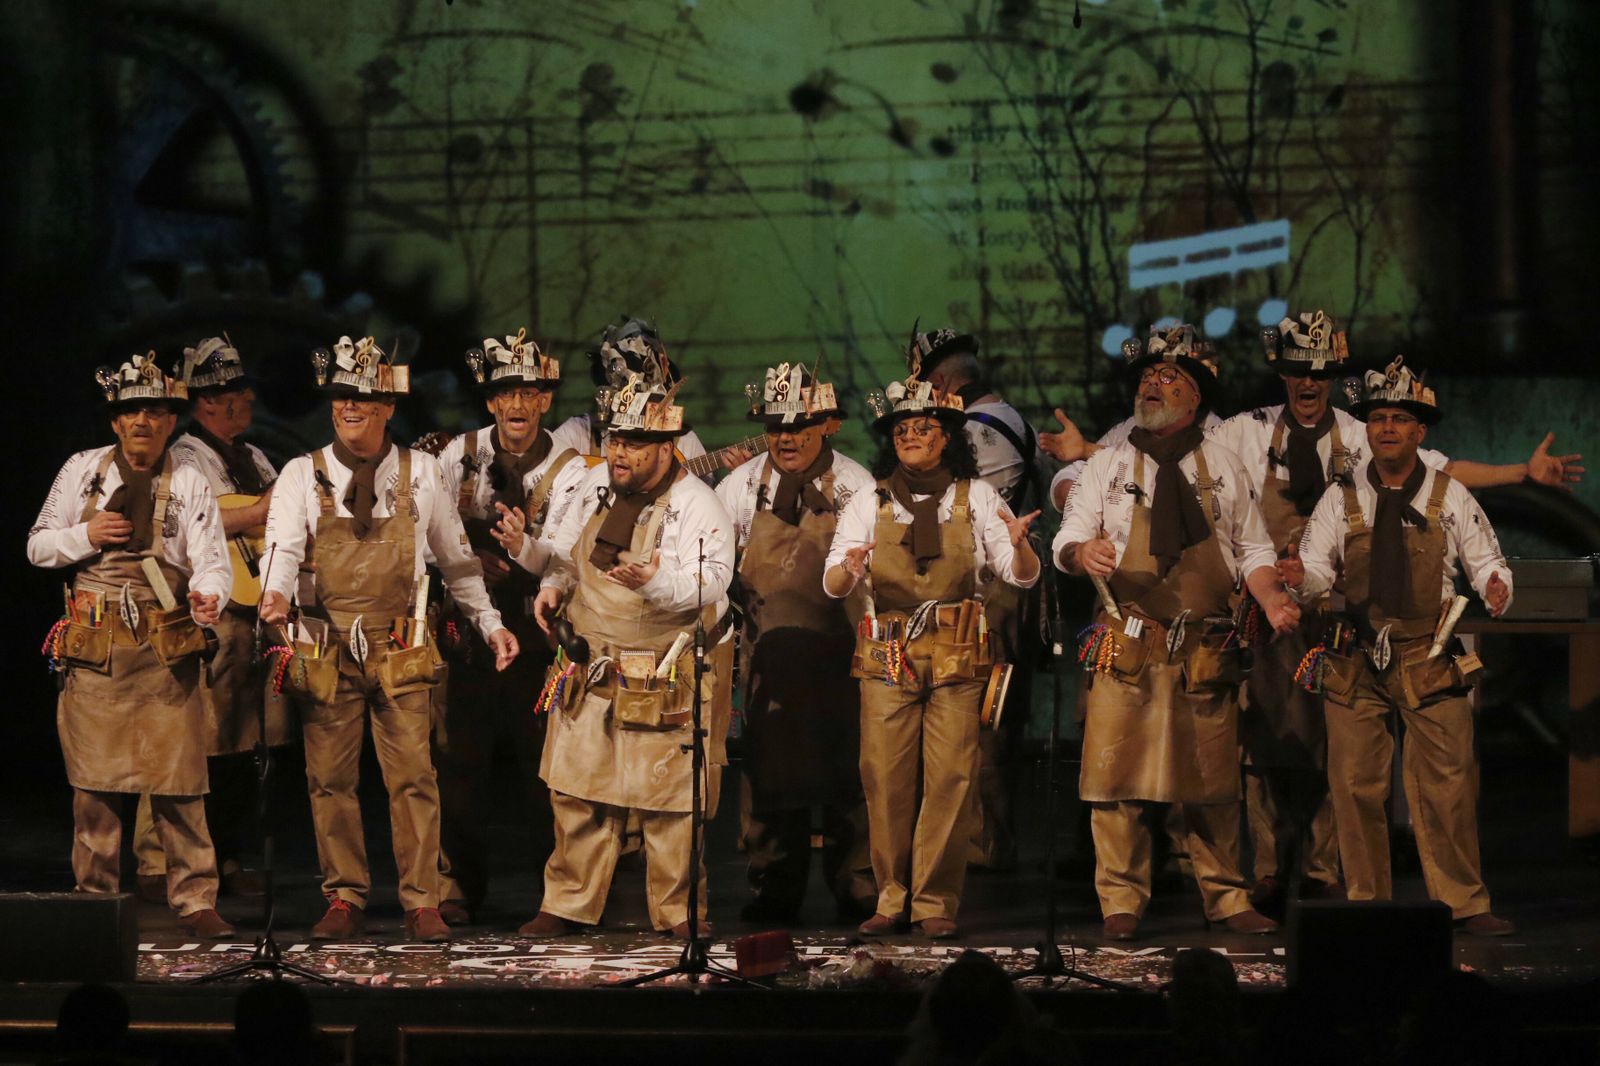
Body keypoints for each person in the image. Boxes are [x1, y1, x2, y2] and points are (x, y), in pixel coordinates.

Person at [1211, 311, 1583, 912]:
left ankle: (1426, 894)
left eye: (1322, 373)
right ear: (1282, 374)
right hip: (1309, 622)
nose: (1309, 383)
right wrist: (1296, 578)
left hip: (1396, 639)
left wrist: (1517, 489)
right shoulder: (1257, 439)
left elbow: (1466, 517)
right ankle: (1317, 886)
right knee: (1297, 757)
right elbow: (1171, 457)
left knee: (1417, 779)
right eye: (1298, 371)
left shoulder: (1393, 456)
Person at [261, 336, 518, 942]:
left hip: (400, 645)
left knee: (413, 776)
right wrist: (273, 596)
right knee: (329, 780)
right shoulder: (303, 474)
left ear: (387, 408)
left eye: (365, 397)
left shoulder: (421, 472)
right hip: (325, 646)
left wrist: (493, 624)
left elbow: (457, 564)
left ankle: (421, 899)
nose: (351, 406)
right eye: (343, 397)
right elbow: (282, 550)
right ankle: (344, 896)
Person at [1053, 324, 1295, 940]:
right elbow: (1066, 536)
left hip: (1201, 645)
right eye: (1147, 377)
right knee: (1115, 780)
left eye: (1170, 377)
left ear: (1195, 396)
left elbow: (1253, 547)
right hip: (1128, 640)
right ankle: (1121, 901)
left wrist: (1268, 597)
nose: (1153, 385)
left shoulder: (1225, 463)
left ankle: (1226, 896)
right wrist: (1082, 554)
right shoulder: (1107, 463)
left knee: (1212, 780)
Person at [1282, 355, 1517, 935]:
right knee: (1355, 784)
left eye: (1399, 418)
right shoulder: (1340, 498)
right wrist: (1299, 579)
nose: (1386, 427)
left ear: (1420, 431)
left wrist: (1495, 587)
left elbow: (1490, 560)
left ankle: (1464, 902)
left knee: (1449, 782)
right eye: (1378, 417)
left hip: (1429, 655)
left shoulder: (1450, 494)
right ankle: (1369, 906)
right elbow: (1316, 568)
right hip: (1355, 655)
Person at [824, 353, 1040, 939]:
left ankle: (935, 901)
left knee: (950, 778)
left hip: (955, 651)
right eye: (902, 430)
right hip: (889, 654)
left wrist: (1019, 545)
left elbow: (1018, 575)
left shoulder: (976, 499)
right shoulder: (869, 501)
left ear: (946, 438)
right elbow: (832, 579)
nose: (912, 438)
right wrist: (847, 568)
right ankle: (891, 897)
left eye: (923, 429)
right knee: (885, 777)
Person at [522, 366, 736, 938]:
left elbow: (714, 582)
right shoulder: (595, 487)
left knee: (668, 800)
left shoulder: (697, 504)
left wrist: (654, 582)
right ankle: (566, 902)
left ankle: (675, 914)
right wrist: (553, 587)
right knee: (578, 787)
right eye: (616, 439)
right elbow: (569, 554)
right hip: (592, 661)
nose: (620, 451)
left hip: (659, 669)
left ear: (666, 447)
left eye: (635, 443)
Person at [29, 354, 235, 938]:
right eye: (131, 412)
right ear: (115, 422)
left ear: (171, 421)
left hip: (165, 648)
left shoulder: (189, 479)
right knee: (93, 788)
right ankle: (94, 900)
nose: (142, 421)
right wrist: (85, 534)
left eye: (153, 411)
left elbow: (212, 562)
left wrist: (208, 597)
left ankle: (195, 898)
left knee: (180, 783)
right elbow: (37, 547)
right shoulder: (82, 471)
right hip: (97, 651)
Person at [431, 331, 590, 925]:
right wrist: (472, 561)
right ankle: (456, 888)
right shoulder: (458, 455)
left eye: (528, 391)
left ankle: (557, 894)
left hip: (541, 637)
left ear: (546, 399)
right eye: (506, 393)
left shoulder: (574, 471)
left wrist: (527, 556)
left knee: (545, 771)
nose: (517, 404)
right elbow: (428, 536)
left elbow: (572, 556)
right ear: (491, 400)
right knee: (460, 765)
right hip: (468, 636)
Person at [716, 360, 877, 923]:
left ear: (827, 424)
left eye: (799, 425)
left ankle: (856, 882)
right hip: (770, 657)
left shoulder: (858, 486)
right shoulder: (740, 487)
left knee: (850, 772)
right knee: (768, 774)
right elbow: (716, 568)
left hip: (842, 657)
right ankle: (772, 885)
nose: (786, 437)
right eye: (775, 426)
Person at [127, 337, 286, 905]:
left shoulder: (255, 456)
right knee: (185, 735)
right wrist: (266, 509)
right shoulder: (186, 456)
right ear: (206, 402)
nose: (244, 398)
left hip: (250, 614)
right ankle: (155, 860)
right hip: (199, 610)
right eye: (232, 391)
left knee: (239, 743)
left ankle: (226, 853)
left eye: (242, 388)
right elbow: (207, 520)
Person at [915, 326, 1050, 872]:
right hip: (978, 591)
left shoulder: (985, 431)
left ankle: (983, 844)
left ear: (942, 382)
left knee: (983, 717)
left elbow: (966, 516)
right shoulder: (1002, 420)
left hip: (993, 593)